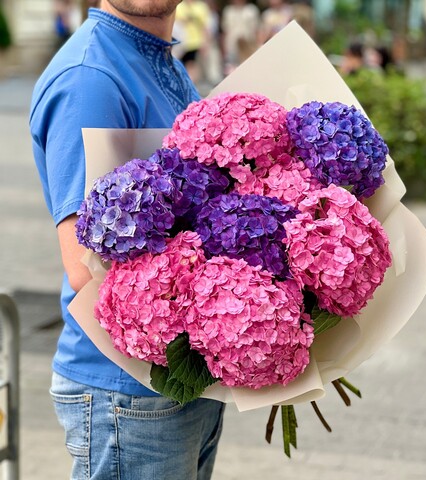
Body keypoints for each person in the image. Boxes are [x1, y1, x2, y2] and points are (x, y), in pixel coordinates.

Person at [29, 1, 225, 479]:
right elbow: (84, 264)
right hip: (127, 392)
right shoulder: (90, 78)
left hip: (172, 381)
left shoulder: (160, 60)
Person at [221, 0, 260, 74]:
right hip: (231, 47)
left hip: (248, 48)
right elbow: (225, 32)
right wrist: (224, 50)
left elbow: (256, 31)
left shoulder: (251, 10)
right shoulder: (228, 11)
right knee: (231, 72)